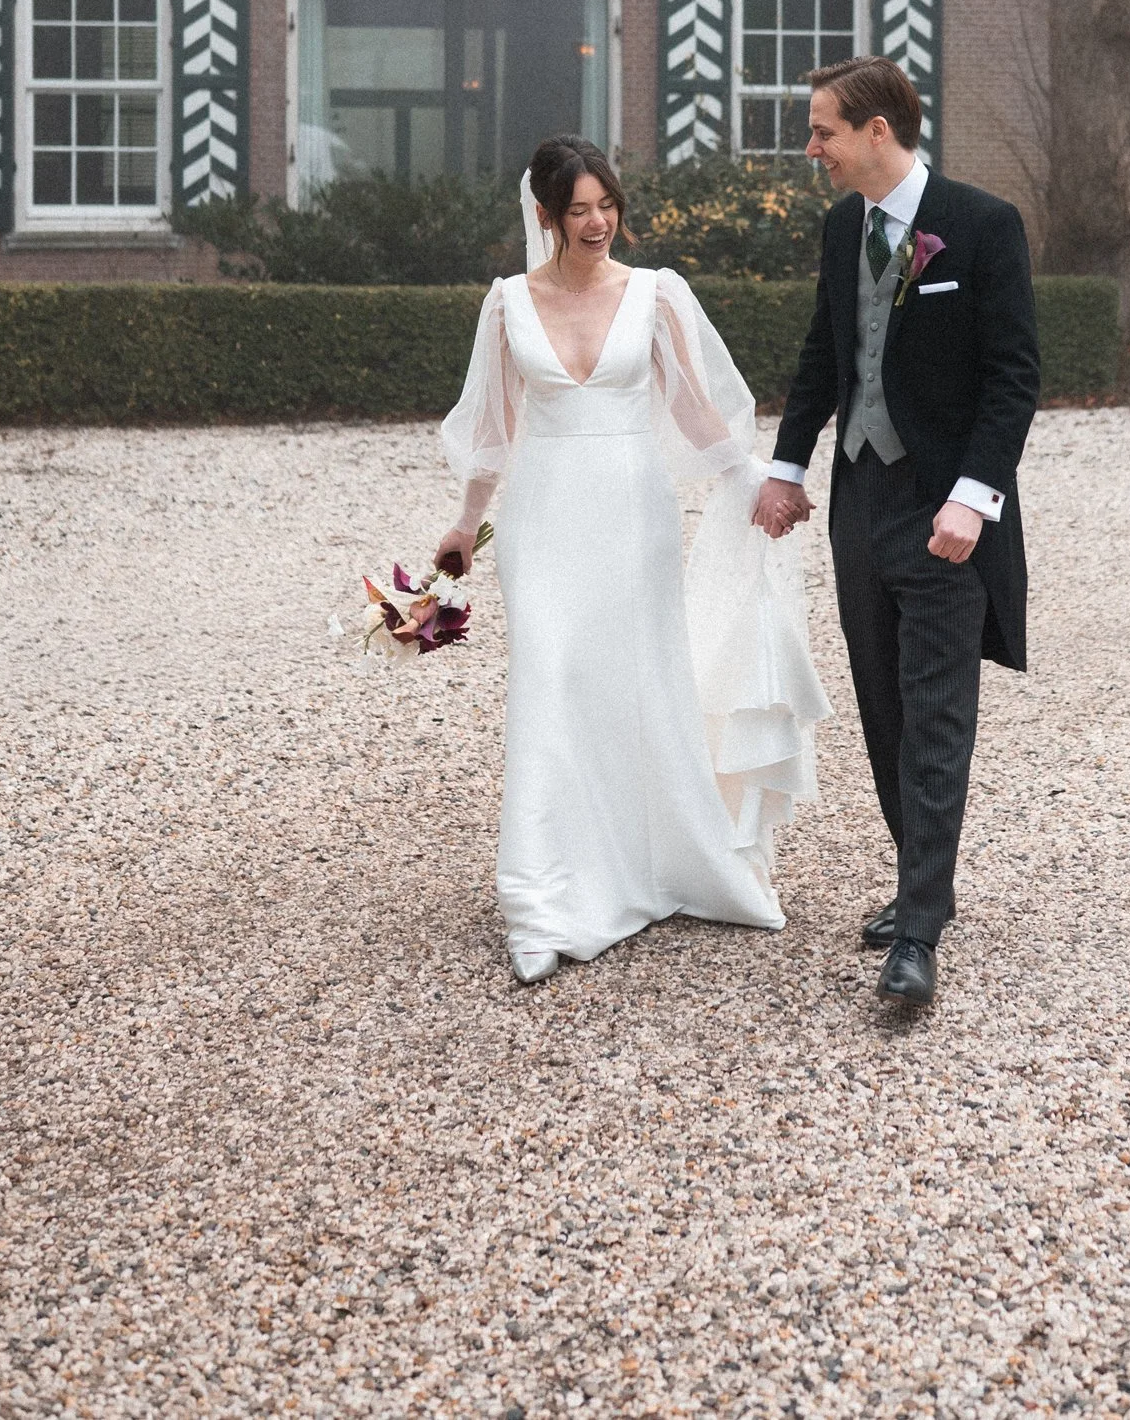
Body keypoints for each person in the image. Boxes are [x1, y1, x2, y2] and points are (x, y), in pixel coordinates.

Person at [436, 134, 828, 986]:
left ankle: (660, 862)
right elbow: (494, 427)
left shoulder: (655, 293)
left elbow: (695, 409)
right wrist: (465, 525)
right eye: (577, 209)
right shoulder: (507, 301)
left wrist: (751, 482)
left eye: (606, 204)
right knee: (550, 676)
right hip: (542, 517)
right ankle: (542, 893)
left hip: (630, 512)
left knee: (641, 679)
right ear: (545, 215)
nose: (596, 222)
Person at [750, 59, 1039, 1009]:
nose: (811, 149)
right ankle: (922, 874)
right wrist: (787, 468)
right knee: (881, 701)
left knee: (937, 713)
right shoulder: (844, 229)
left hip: (944, 508)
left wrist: (974, 498)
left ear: (878, 131)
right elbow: (826, 351)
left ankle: (917, 929)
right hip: (860, 501)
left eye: (823, 130)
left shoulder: (984, 224)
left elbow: (1012, 379)